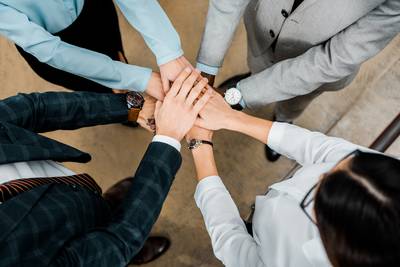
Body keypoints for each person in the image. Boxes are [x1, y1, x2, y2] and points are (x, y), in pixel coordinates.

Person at [0, 68, 212, 266]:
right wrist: (168, 137)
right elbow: (120, 240)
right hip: (84, 249)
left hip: (69, 196)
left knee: (105, 208)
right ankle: (132, 255)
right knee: (117, 248)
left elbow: (35, 109)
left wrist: (133, 106)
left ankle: (106, 204)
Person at [187, 93, 400, 267]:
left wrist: (200, 144)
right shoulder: (386, 180)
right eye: (339, 165)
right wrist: (230, 118)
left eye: (321, 188)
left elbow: (231, 242)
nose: (321, 173)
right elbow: (318, 149)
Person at [196, 0, 400, 161]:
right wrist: (207, 68)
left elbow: (335, 59)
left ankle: (283, 119)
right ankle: (252, 78)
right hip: (263, 31)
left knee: (295, 102)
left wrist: (241, 95)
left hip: (316, 70)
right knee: (256, 64)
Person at [0, 0, 192, 98]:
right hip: (56, 49)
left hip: (95, 10)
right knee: (100, 89)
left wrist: (168, 53)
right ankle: (129, 112)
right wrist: (140, 79)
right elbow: (50, 50)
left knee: (116, 52)